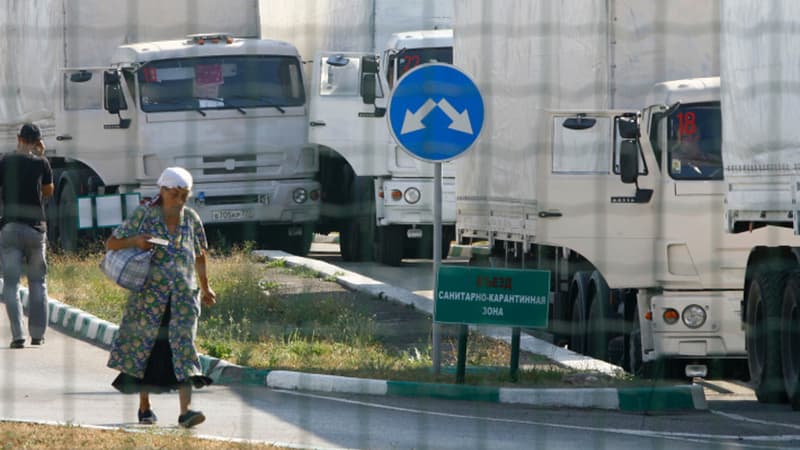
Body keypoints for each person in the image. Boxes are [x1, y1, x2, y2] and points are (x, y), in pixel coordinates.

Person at [106, 166, 217, 428]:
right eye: (175, 194)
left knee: (184, 349)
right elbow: (111, 243)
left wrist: (205, 286)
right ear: (163, 190)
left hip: (183, 299)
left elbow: (200, 254)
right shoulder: (144, 215)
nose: (179, 201)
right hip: (148, 300)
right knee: (147, 350)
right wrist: (136, 241)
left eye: (185, 195)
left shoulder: (191, 218)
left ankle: (185, 412)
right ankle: (144, 407)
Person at [0, 123, 54, 349]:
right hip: (35, 230)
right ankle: (38, 335)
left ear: (18, 138)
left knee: (11, 284)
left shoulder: (5, 161)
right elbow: (48, 191)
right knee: (38, 283)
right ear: (38, 141)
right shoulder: (42, 163)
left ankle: (17, 335)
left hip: (10, 228)